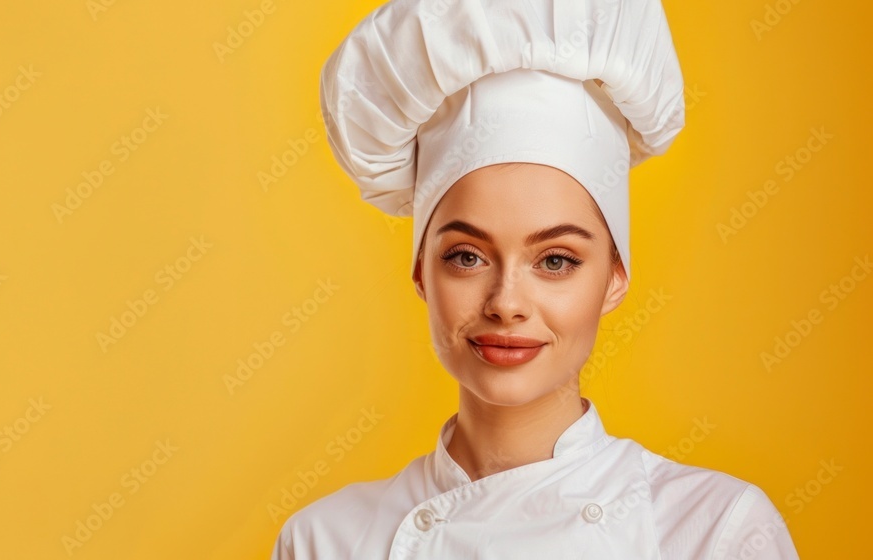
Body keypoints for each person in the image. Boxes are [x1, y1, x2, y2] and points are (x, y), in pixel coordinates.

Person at [272, 0, 800, 557]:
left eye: (555, 260)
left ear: (615, 278)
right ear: (421, 272)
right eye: (466, 256)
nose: (506, 304)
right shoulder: (324, 540)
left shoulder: (711, 529)